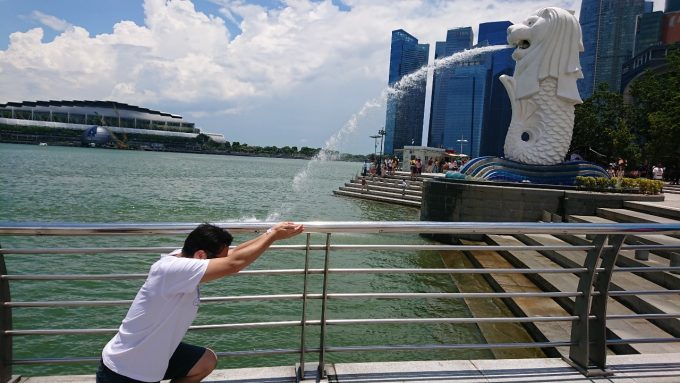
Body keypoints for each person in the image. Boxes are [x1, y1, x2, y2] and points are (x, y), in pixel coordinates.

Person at [96, 221, 304, 383]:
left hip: (153, 360)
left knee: (205, 361)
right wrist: (273, 236)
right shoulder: (171, 270)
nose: (220, 265)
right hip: (123, 372)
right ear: (201, 255)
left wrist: (270, 234)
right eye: (216, 260)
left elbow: (234, 254)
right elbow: (234, 263)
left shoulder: (184, 258)